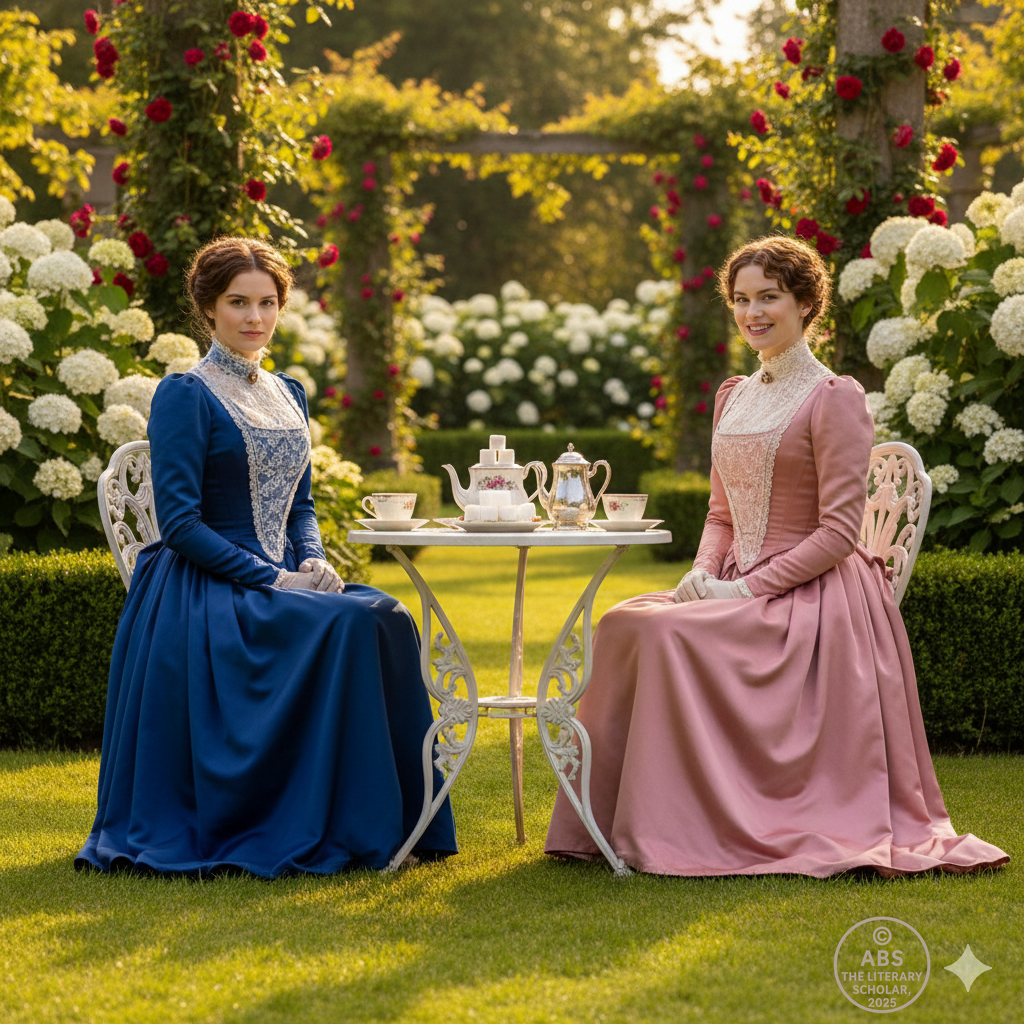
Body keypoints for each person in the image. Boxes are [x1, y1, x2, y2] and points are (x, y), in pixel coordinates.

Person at [546, 236, 1009, 877]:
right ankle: (599, 825)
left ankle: (679, 829)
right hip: (735, 577)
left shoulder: (834, 397)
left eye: (769, 297)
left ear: (804, 302)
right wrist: (705, 570)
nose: (752, 312)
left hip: (815, 601)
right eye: (741, 299)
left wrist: (745, 591)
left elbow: (839, 533)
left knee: (665, 636)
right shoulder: (734, 394)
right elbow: (719, 514)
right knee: (624, 621)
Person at [77, 237, 456, 877]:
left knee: (386, 615)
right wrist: (271, 576)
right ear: (207, 308)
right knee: (352, 623)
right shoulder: (184, 394)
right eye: (238, 303)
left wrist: (311, 560)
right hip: (205, 593)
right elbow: (180, 524)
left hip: (284, 578)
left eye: (267, 302)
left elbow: (301, 505)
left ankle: (398, 826)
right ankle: (319, 821)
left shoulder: (289, 392)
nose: (254, 318)